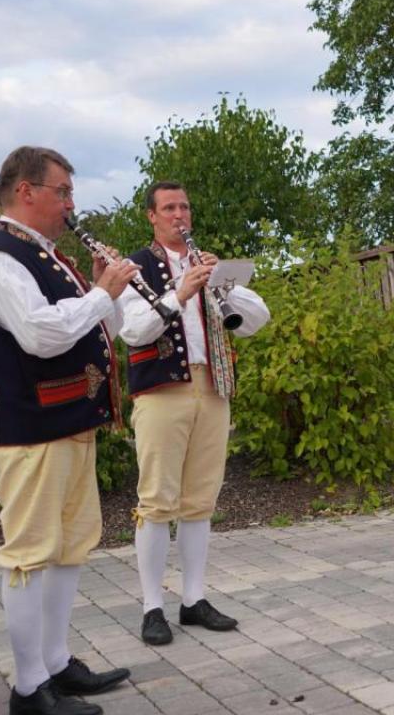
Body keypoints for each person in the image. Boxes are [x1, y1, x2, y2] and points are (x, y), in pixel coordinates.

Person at [0, 146, 132, 715]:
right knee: (31, 553)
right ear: (25, 191)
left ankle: (56, 663)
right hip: (30, 426)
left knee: (68, 547)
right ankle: (29, 688)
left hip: (69, 420)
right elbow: (39, 335)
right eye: (61, 191)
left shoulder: (47, 255)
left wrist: (105, 292)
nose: (70, 203)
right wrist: (101, 294)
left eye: (70, 192)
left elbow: (101, 328)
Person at [118, 181, 270, 646]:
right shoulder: (135, 267)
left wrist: (221, 283)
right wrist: (179, 293)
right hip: (162, 390)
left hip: (213, 385)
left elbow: (255, 322)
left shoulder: (211, 264)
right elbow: (133, 331)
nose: (179, 214)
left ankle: (193, 599)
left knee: (201, 499)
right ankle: (151, 607)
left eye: (184, 206)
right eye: (169, 208)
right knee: (157, 500)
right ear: (152, 216)